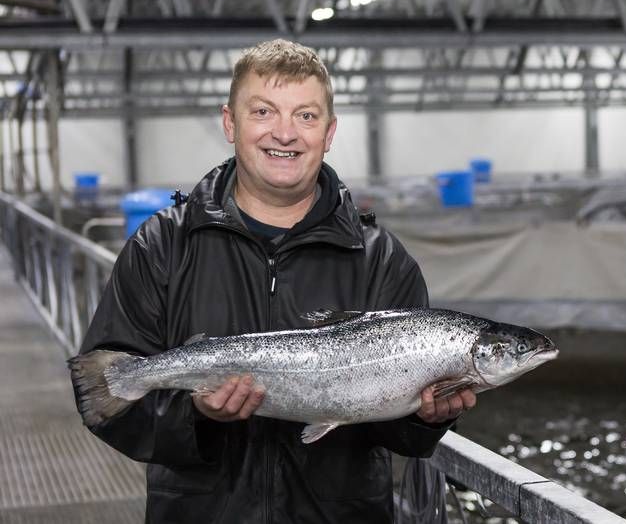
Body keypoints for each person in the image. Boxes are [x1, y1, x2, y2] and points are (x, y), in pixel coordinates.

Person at [75, 39, 477, 523]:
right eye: (263, 111)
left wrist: (425, 415)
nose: (285, 133)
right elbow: (110, 403)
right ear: (230, 123)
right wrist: (198, 417)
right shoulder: (162, 246)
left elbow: (399, 438)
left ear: (328, 133)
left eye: (306, 117)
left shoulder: (381, 260)